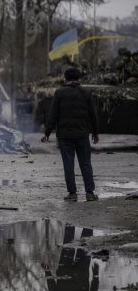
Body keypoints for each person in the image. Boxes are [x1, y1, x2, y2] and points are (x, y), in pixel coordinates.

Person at [43, 67, 99, 201]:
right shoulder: (86, 93)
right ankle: (90, 193)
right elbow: (93, 114)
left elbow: (53, 114)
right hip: (82, 134)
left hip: (65, 136)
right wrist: (95, 132)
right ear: (79, 78)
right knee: (85, 163)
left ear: (65, 78)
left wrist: (47, 132)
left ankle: (72, 194)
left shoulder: (59, 93)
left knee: (68, 164)